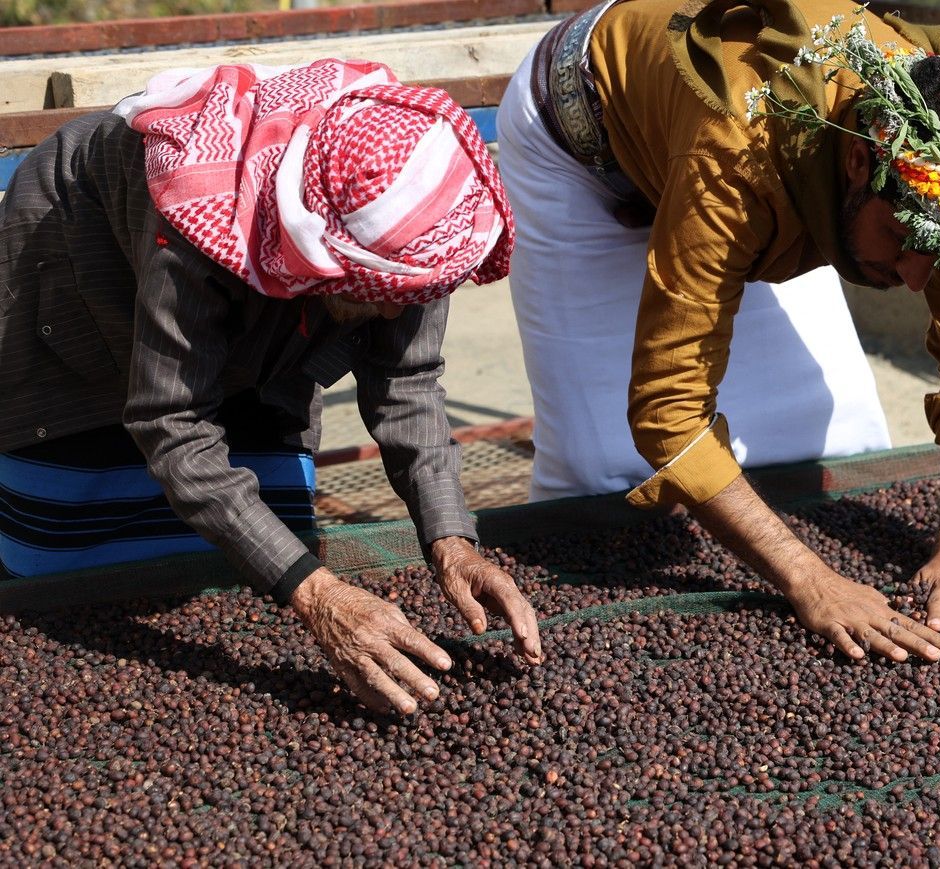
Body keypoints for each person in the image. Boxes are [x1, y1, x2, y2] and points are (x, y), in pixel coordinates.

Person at [497, 1, 940, 661]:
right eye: (901, 239)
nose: (918, 280)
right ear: (860, 162)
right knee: (603, 471)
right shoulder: (739, 153)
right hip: (580, 142)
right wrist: (810, 579)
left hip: (758, 165)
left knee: (845, 435)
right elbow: (668, 409)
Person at [0, 58, 542, 715]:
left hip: (276, 288)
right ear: (317, 257)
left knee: (264, 543)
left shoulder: (422, 218)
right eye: (383, 299)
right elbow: (172, 423)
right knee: (77, 557)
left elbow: (407, 377)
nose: (399, 315)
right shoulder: (194, 218)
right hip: (81, 272)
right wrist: (320, 597)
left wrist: (451, 538)